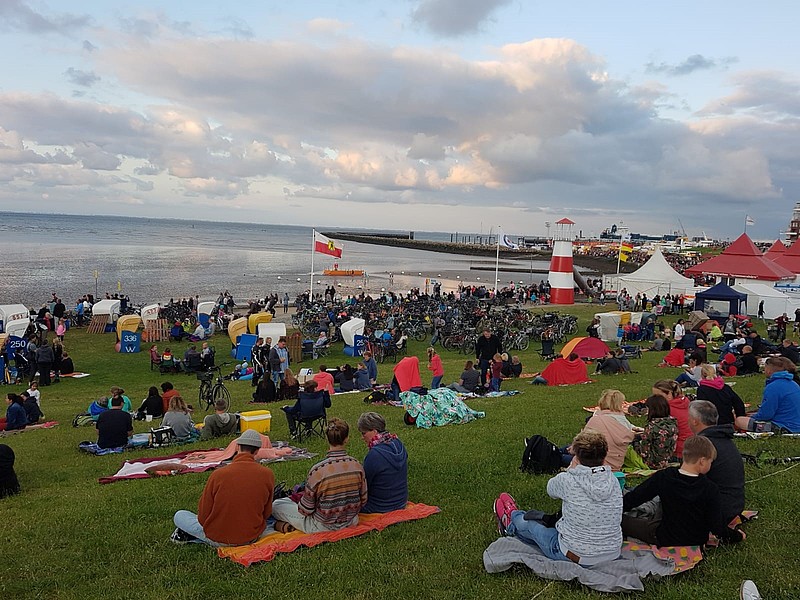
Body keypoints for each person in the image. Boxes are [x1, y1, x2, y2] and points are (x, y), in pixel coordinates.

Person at [494, 431, 623, 566]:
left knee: (531, 526)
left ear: (576, 457)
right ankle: (516, 517)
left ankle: (511, 519)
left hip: (574, 554)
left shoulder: (568, 479)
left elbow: (550, 489)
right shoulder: (613, 480)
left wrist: (570, 470)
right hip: (612, 552)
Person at [622, 435, 745, 547]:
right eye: (710, 462)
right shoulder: (710, 489)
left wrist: (617, 508)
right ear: (702, 461)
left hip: (665, 537)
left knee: (624, 522)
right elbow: (717, 527)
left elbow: (635, 498)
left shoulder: (664, 477)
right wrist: (737, 536)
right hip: (696, 539)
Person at [171, 429, 275, 546]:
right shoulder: (267, 474)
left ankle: (192, 537)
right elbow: (266, 513)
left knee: (180, 515)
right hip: (251, 537)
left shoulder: (218, 474)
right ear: (256, 451)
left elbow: (203, 517)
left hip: (219, 538)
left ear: (238, 447)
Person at [271, 418, 367, 533]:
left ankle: (284, 525)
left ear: (327, 438)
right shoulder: (357, 466)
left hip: (321, 526)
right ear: (346, 439)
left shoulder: (318, 470)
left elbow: (306, 510)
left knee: (277, 504)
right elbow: (363, 499)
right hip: (351, 521)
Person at [688, 401, 745, 524]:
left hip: (716, 512)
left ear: (695, 421)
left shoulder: (701, 445)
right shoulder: (723, 438)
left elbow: (688, 482)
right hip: (734, 506)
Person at [569, 389, 637, 471]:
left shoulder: (595, 420)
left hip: (588, 462)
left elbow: (580, 444)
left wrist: (572, 449)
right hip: (614, 464)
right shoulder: (623, 421)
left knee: (561, 454)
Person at [357, 412, 409, 513]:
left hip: (379, 507)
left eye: (364, 433)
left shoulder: (374, 455)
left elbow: (365, 485)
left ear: (374, 431)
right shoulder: (398, 444)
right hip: (401, 502)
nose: (362, 437)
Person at [735, 357, 800, 433]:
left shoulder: (773, 387)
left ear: (769, 370)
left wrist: (752, 416)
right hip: (795, 422)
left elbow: (766, 415)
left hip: (785, 426)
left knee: (739, 420)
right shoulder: (793, 383)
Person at [632, 394, 679, 468]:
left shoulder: (652, 426)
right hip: (667, 459)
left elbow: (643, 452)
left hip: (652, 463)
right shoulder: (673, 423)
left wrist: (635, 442)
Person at [652, 379, 691, 458]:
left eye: (658, 396)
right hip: (691, 446)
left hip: (677, 450)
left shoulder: (667, 409)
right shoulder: (685, 403)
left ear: (669, 394)